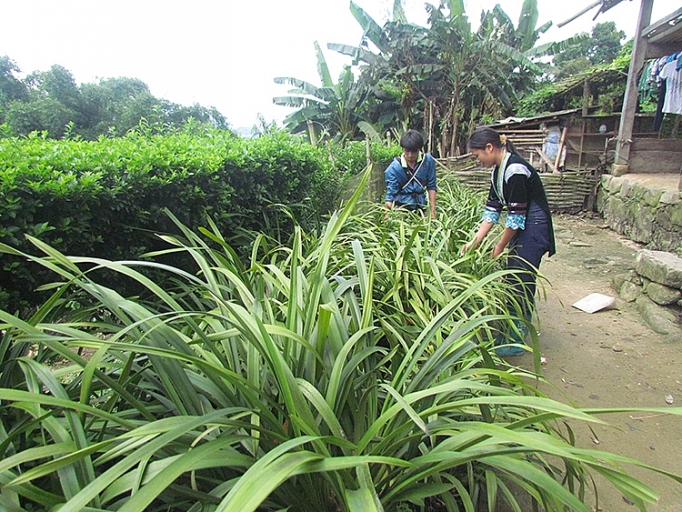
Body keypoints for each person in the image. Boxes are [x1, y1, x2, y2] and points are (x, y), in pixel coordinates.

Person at [461, 126, 555, 356]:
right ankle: (512, 329)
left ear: (489, 148)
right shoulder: (497, 171)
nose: (478, 160)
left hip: (534, 226)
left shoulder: (515, 170)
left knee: (520, 277)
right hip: (523, 225)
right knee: (513, 275)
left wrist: (500, 245)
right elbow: (492, 210)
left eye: (477, 155)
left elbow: (515, 217)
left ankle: (517, 337)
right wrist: (475, 242)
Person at [384, 130, 437, 219]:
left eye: (414, 151)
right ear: (402, 148)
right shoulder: (394, 168)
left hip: (421, 206)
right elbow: (391, 194)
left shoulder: (428, 161)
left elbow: (431, 186)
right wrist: (387, 214)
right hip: (401, 208)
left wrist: (432, 211)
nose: (410, 155)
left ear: (419, 149)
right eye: (407, 151)